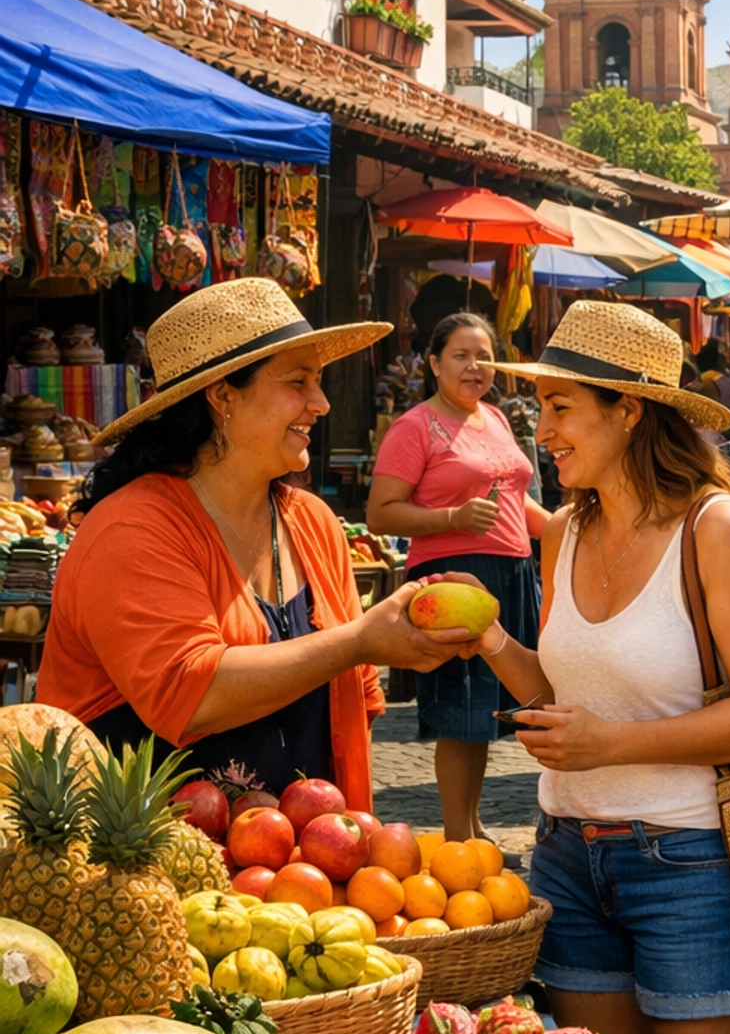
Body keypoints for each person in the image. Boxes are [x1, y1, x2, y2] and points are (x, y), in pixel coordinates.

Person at [461, 300, 730, 1034]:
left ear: (630, 412)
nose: (546, 430)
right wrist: (490, 638)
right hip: (570, 859)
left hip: (687, 862)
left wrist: (614, 744)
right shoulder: (563, 531)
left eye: (564, 406)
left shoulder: (715, 529)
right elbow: (561, 696)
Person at [41, 278, 468, 806]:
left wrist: (413, 626)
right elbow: (190, 693)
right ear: (222, 394)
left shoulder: (314, 522)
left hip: (304, 873)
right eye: (299, 382)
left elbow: (353, 705)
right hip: (153, 876)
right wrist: (361, 641)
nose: (322, 403)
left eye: (319, 381)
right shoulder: (131, 528)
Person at [368, 313, 553, 842]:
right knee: (461, 707)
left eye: (484, 357)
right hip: (454, 578)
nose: (475, 367)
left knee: (490, 712)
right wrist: (451, 518)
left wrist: (568, 527)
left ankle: (473, 828)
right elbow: (381, 512)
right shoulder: (415, 426)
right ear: (433, 363)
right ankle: (457, 838)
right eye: (461, 356)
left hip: (512, 572)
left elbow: (517, 504)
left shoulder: (493, 417)